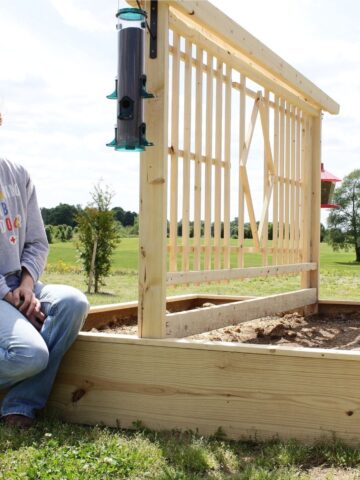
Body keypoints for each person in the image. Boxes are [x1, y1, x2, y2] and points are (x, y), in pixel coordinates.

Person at [0, 113, 90, 428]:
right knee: (29, 355)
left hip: (18, 284)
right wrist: (9, 295)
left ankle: (21, 403)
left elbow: (38, 242)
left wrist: (26, 285)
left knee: (73, 302)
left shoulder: (17, 174)